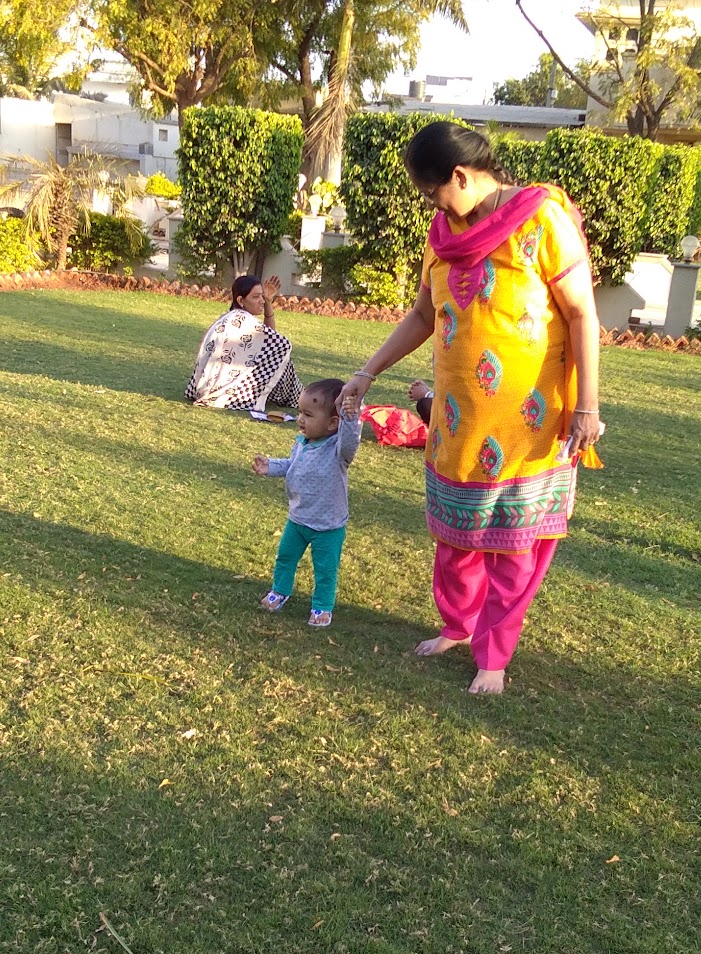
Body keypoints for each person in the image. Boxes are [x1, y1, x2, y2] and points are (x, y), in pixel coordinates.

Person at [337, 121, 603, 695]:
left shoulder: (543, 219)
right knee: (455, 540)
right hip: (457, 424)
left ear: (460, 175)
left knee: (513, 547)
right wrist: (366, 372)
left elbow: (582, 313)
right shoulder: (443, 235)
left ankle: (493, 657)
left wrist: (587, 406)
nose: (432, 204)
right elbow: (421, 316)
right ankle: (458, 628)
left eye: (434, 191)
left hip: (526, 426)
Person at [253, 378, 362, 629]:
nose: (300, 419)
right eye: (300, 412)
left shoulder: (338, 451)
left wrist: (351, 416)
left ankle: (322, 606)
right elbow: (292, 466)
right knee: (285, 557)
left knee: (325, 569)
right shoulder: (302, 443)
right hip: (298, 518)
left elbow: (350, 439)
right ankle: (280, 590)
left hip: (327, 526)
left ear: (333, 423)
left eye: (308, 414)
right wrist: (270, 466)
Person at [185, 275, 300, 412]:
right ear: (241, 300)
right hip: (222, 388)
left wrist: (269, 302)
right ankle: (297, 397)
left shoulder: (229, 316)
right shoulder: (242, 319)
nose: (261, 301)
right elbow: (280, 344)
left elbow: (269, 338)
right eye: (256, 297)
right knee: (284, 357)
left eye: (262, 297)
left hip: (205, 384)